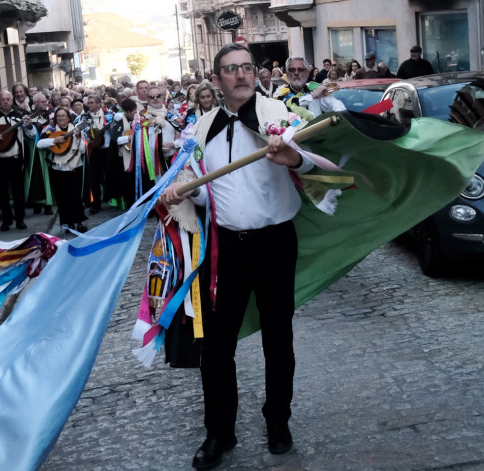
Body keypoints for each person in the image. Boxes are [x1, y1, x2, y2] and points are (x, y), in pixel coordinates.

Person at [159, 43, 316, 471]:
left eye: (247, 67)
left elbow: (318, 167)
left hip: (275, 244)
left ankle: (278, 422)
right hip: (225, 249)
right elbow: (199, 187)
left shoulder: (280, 118)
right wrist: (182, 191)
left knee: (278, 340)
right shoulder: (201, 129)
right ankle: (219, 433)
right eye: (231, 70)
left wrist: (295, 158)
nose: (242, 75)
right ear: (216, 80)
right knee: (216, 347)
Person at [0, 90, 35, 231]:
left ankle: (19, 220)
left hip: (15, 160)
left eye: (8, 99)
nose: (6, 101)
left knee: (18, 192)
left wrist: (28, 125)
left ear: (12, 100)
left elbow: (32, 135)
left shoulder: (20, 115)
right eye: (3, 99)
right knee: (2, 192)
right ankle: (6, 219)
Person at [36, 107, 88, 233]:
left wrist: (77, 137)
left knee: (75, 196)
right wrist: (54, 140)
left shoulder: (77, 130)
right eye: (58, 116)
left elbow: (82, 150)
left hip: (75, 166)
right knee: (62, 198)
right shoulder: (50, 130)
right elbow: (39, 144)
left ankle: (79, 222)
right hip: (57, 168)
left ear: (68, 117)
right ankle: (67, 223)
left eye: (63, 115)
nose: (60, 118)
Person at [277, 56, 346, 116]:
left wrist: (341, 112)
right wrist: (312, 96)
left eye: (300, 70)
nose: (296, 73)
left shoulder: (314, 88)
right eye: (292, 70)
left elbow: (334, 103)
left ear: (307, 73)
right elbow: (281, 108)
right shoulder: (279, 92)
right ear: (287, 74)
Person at [25, 92, 54, 216]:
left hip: (50, 149)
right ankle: (38, 202)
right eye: (42, 101)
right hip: (35, 151)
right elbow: (30, 134)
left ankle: (49, 204)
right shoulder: (29, 117)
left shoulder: (51, 115)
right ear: (35, 103)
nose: (45, 103)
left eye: (45, 101)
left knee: (50, 178)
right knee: (37, 177)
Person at [80, 94, 110, 214]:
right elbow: (81, 129)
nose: (89, 104)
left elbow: (115, 128)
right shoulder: (85, 117)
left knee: (109, 174)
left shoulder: (108, 115)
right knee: (94, 177)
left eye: (92, 102)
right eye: (88, 103)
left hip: (107, 149)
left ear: (99, 104)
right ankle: (96, 203)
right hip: (93, 149)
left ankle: (112, 198)